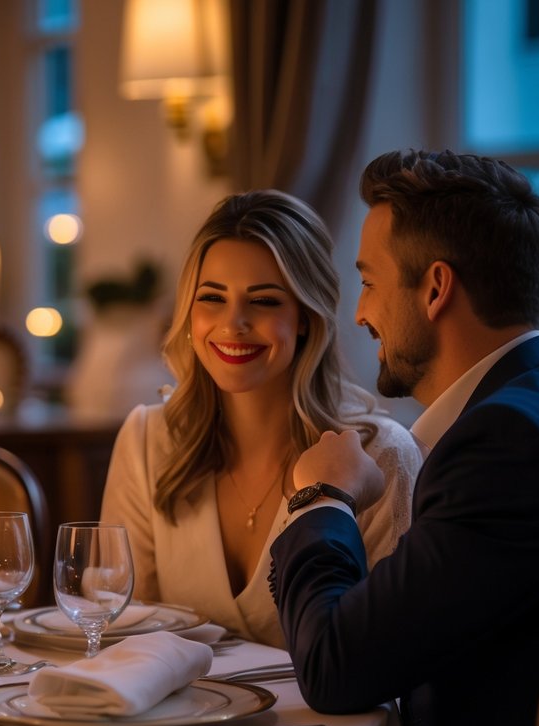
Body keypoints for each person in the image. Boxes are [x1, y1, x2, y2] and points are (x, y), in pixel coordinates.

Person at [269, 149, 539, 726]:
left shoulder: (503, 449)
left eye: (367, 283)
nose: (359, 315)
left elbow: (335, 668)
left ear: (434, 288)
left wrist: (321, 498)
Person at [101, 190, 421, 648]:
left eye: (265, 301)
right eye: (212, 298)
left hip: (331, 721)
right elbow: (125, 631)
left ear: (307, 316)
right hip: (177, 719)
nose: (234, 324)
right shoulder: (147, 440)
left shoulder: (380, 455)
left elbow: (388, 650)